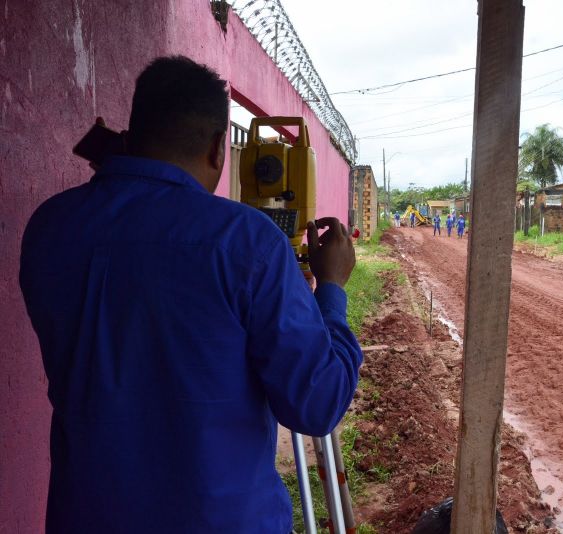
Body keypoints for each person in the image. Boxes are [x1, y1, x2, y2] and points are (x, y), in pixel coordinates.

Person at [18, 56, 362, 534]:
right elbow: (317, 402)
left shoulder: (49, 227)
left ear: (133, 132)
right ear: (221, 148)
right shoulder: (248, 243)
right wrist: (330, 289)